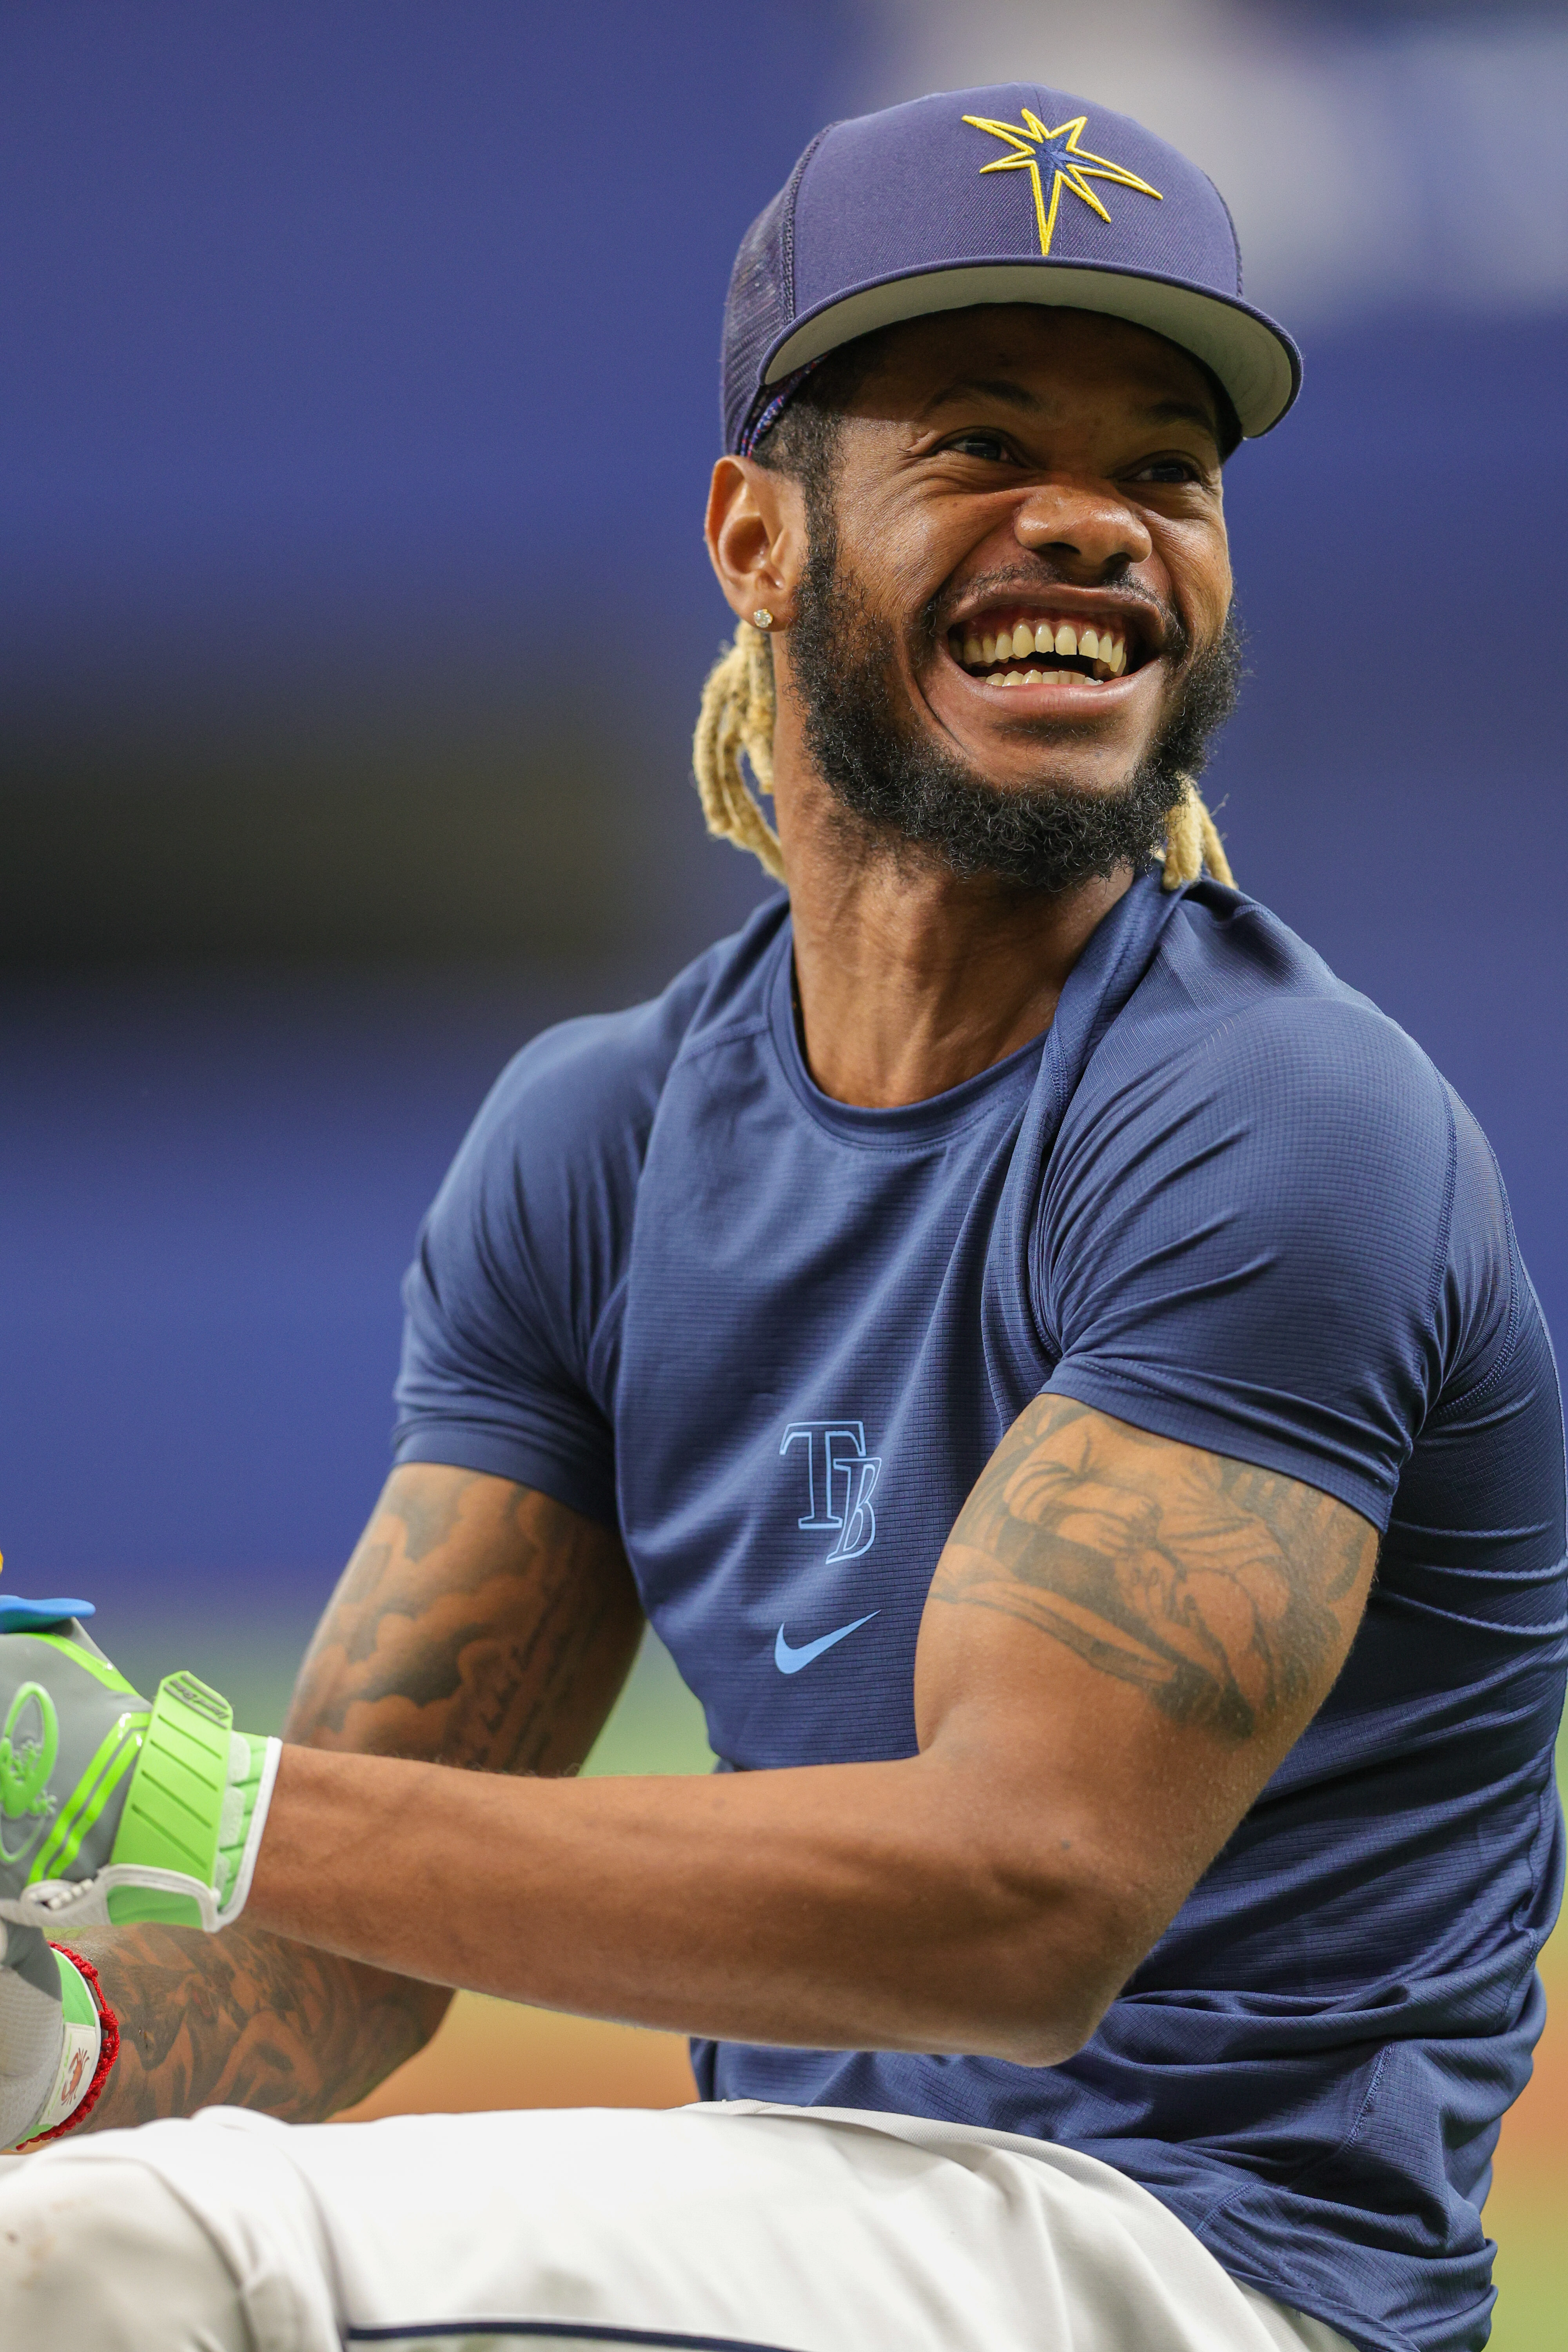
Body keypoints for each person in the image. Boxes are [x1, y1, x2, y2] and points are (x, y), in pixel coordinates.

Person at [0, 80, 1561, 2352]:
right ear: (756, 536)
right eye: (984, 448)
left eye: (1163, 470)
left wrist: (153, 1786)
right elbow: (330, 1967)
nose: (1095, 527)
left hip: (1214, 2277)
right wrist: (67, 2050)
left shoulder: (1279, 1117)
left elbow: (1023, 1906)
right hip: (822, 2238)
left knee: (123, 2273)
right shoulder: (599, 1146)